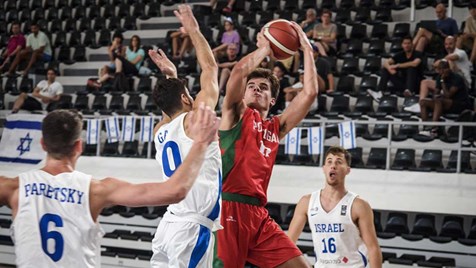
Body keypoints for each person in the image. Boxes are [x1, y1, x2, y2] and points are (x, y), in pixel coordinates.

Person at [0, 107, 220, 267]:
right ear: (79, 146)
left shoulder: (14, 187)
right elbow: (176, 190)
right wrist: (200, 143)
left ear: (42, 145)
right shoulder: (96, 189)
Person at [214, 21, 318, 267]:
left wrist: (306, 50)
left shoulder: (275, 127)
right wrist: (265, 49)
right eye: (251, 87)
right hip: (228, 208)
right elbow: (239, 73)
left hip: (259, 215)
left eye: (263, 88)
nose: (256, 90)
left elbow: (310, 93)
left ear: (272, 100)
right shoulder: (234, 114)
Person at [148, 5, 221, 267]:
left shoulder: (159, 132)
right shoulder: (196, 119)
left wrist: (171, 76)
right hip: (192, 228)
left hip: (169, 225)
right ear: (185, 98)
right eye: (188, 93)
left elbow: (170, 112)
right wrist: (193, 30)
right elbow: (210, 68)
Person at [287, 146, 382, 268]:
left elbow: (373, 248)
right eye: (329, 161)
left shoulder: (359, 205)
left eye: (339, 162)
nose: (333, 165)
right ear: (324, 168)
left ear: (348, 170)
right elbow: (289, 243)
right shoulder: (306, 202)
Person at [419, 60, 472, 137]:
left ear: (449, 69)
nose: (442, 71)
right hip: (445, 103)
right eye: (440, 69)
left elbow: (448, 95)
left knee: (439, 101)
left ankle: (434, 129)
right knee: (423, 102)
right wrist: (435, 95)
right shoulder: (439, 77)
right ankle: (425, 127)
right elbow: (436, 93)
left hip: (460, 104)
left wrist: (442, 82)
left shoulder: (457, 78)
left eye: (444, 69)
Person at [368, 36, 424, 102]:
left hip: (415, 84)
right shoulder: (400, 55)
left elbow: (415, 63)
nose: (407, 45)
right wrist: (389, 68)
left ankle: (409, 91)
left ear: (412, 44)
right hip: (402, 83)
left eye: (408, 43)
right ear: (402, 45)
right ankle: (380, 92)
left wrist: (397, 66)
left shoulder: (418, 54)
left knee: (411, 68)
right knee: (386, 70)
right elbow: (385, 63)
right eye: (405, 43)